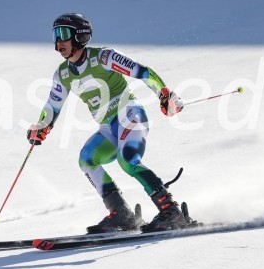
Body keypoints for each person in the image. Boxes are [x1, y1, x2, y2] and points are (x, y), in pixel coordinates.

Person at [27, 13, 188, 233]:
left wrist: (165, 94)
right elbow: (52, 106)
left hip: (129, 115)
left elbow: (143, 72)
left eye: (64, 34)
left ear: (80, 37)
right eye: (56, 35)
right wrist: (41, 127)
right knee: (87, 159)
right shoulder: (63, 74)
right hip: (107, 127)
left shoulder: (104, 57)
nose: (58, 41)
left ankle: (171, 211)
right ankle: (121, 214)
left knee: (128, 160)